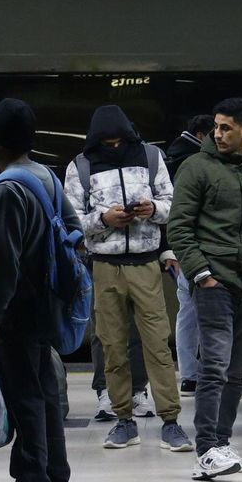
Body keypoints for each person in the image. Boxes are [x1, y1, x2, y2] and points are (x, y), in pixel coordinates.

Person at [165, 98, 242, 481]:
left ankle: (221, 443)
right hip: (214, 281)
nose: (217, 134)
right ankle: (205, 449)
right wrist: (202, 274)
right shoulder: (196, 167)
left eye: (225, 128)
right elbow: (179, 227)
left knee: (237, 371)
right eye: (216, 127)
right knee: (215, 366)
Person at [0, 98, 82, 482]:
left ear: (0, 141)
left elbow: (2, 262)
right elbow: (74, 229)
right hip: (47, 303)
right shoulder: (45, 176)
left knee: (25, 397)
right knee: (46, 391)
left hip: (17, 309)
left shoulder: (7, 188)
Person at [64, 104, 190, 453]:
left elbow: (171, 202)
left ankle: (170, 421)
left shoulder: (150, 157)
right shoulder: (81, 166)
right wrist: (104, 220)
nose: (114, 146)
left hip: (146, 263)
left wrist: (153, 210)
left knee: (158, 344)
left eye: (119, 140)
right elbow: (71, 218)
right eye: (108, 142)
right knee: (113, 345)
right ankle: (123, 419)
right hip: (104, 265)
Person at [166, 113, 213, 392]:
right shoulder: (194, 161)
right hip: (197, 246)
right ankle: (207, 372)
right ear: (201, 135)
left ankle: (189, 374)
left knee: (187, 312)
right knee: (208, 313)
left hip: (182, 246)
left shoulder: (174, 157)